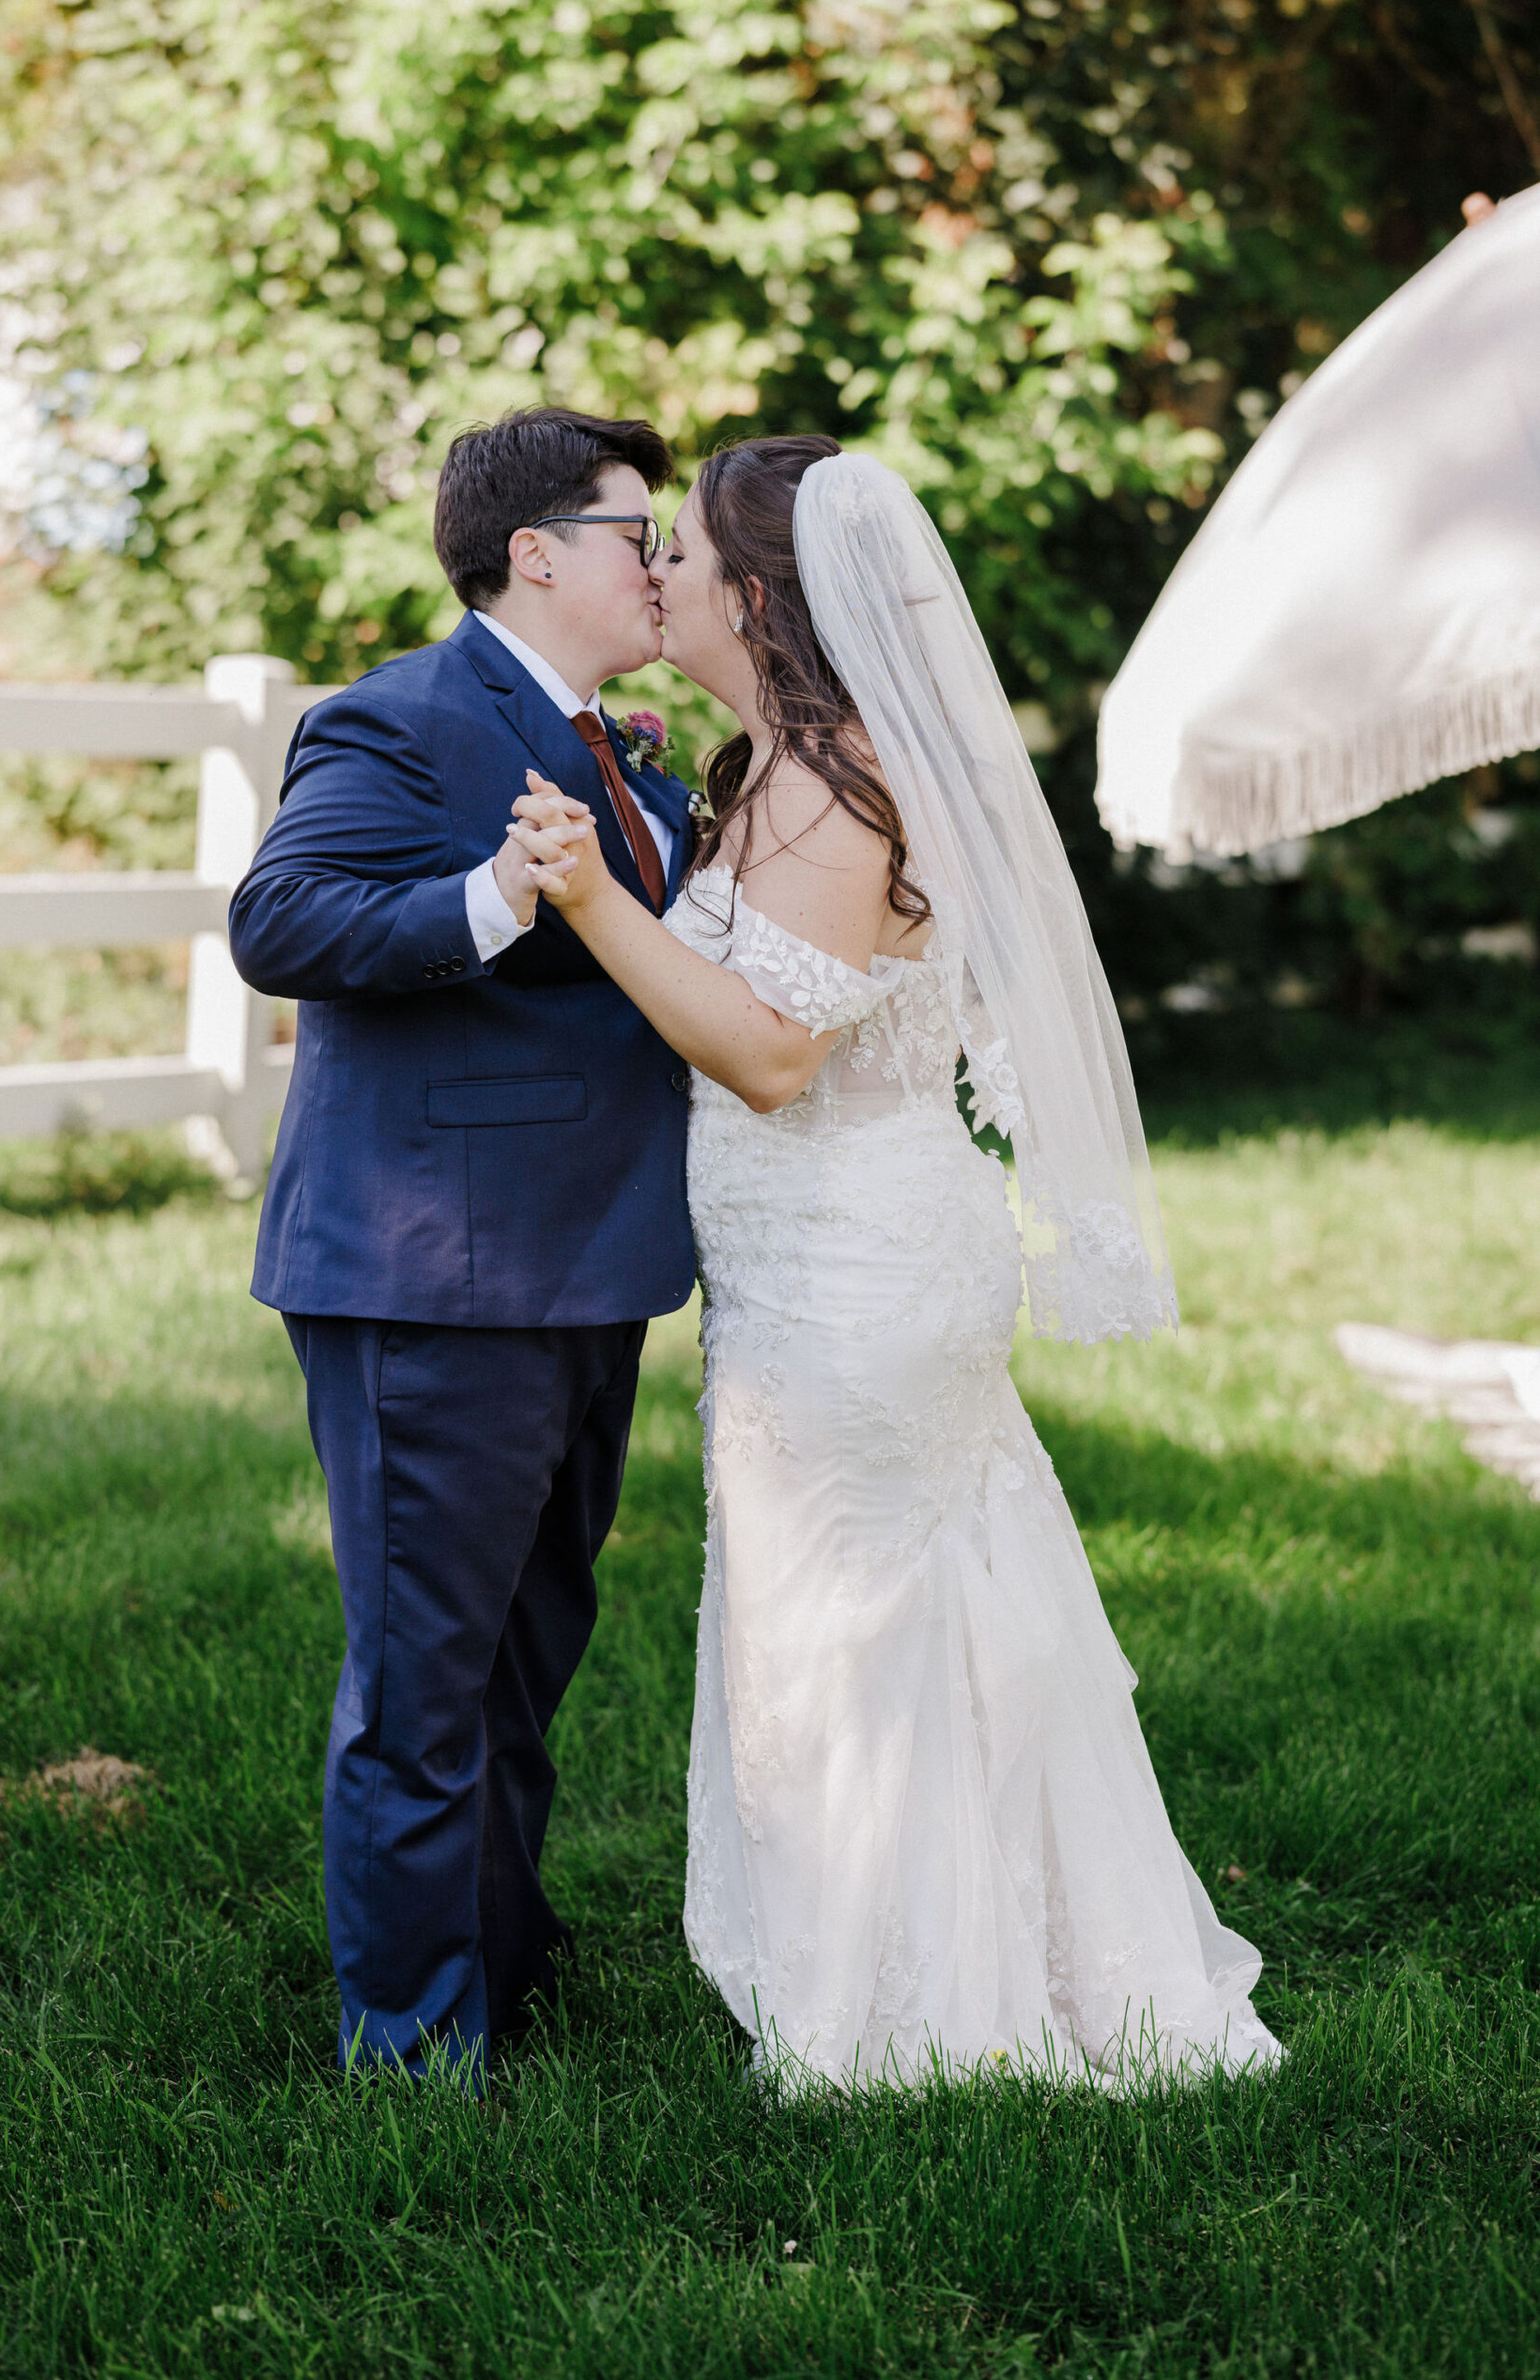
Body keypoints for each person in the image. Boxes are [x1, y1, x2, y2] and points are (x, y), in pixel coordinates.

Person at [509, 436, 1284, 2091]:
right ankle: (1014, 1964)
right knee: (926, 1616)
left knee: (850, 1633)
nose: (662, 578)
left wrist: (586, 895)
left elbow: (775, 1055)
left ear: (760, 595)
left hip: (854, 1266)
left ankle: (907, 2015)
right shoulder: (779, 764)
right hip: (828, 1261)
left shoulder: (831, 777)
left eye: (689, 559)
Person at [228, 408, 697, 2084]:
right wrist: (498, 900)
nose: (661, 565)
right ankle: (412, 2045)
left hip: (590, 1265)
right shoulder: (404, 718)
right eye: (639, 534)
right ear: (537, 553)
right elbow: (279, 923)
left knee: (525, 1650)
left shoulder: (622, 746)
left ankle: (503, 1955)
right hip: (435, 1273)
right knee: (426, 1679)